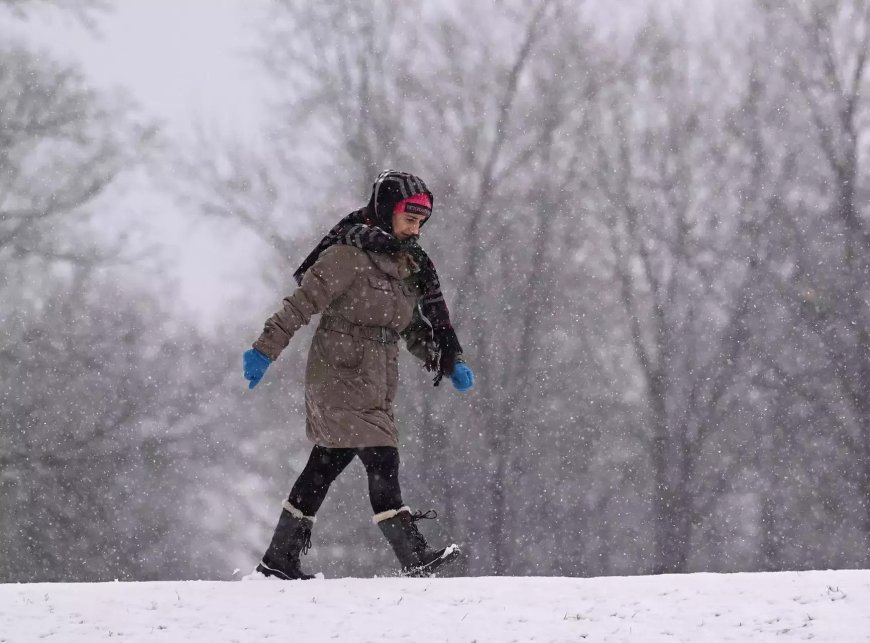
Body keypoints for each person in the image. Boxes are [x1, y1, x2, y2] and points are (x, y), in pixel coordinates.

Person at [242, 170, 474, 580]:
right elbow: (299, 306)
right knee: (382, 456)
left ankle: (280, 558)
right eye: (409, 218)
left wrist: (447, 361)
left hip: (377, 380)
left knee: (325, 464)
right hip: (339, 372)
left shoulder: (406, 265)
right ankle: (412, 554)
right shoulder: (346, 255)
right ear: (386, 211)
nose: (414, 228)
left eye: (421, 222)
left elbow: (411, 327)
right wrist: (265, 350)